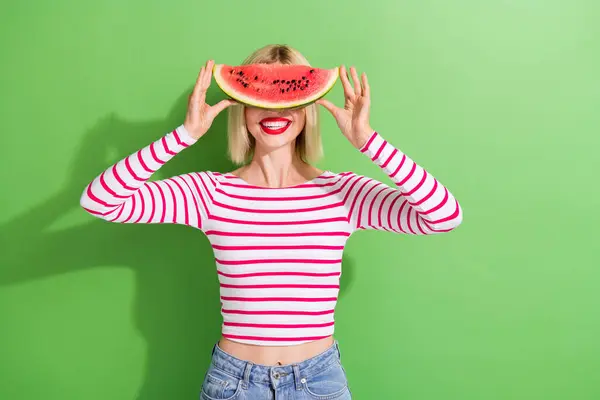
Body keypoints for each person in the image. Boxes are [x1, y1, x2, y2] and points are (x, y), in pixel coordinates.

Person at [80, 44, 462, 399]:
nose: (275, 112)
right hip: (234, 384)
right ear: (241, 108)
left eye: (289, 98)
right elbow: (100, 201)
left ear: (308, 108)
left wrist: (368, 142)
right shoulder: (210, 194)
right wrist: (184, 135)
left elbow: (444, 216)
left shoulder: (344, 194)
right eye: (261, 98)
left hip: (320, 382)